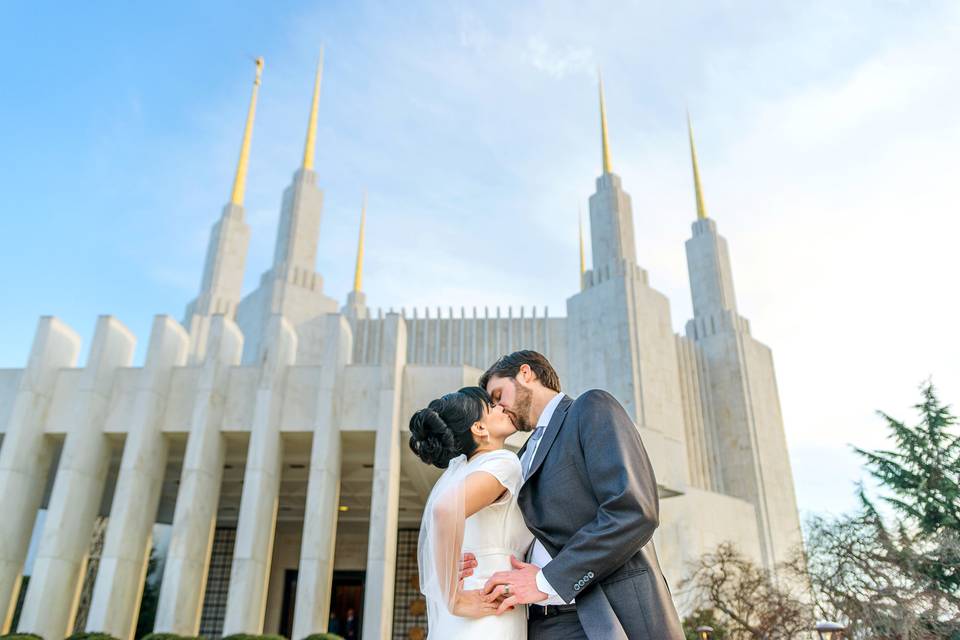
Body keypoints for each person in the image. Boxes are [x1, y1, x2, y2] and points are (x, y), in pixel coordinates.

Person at [466, 350, 684, 639]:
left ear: (525, 373)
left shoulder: (590, 408)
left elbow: (633, 511)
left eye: (497, 394)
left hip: (605, 618)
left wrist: (547, 581)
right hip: (534, 623)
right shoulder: (519, 457)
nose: (498, 407)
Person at [409, 386, 533, 639]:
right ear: (479, 428)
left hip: (475, 602)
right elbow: (445, 509)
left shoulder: (463, 471)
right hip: (489, 602)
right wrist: (454, 599)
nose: (502, 407)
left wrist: (449, 583)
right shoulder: (503, 462)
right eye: (492, 407)